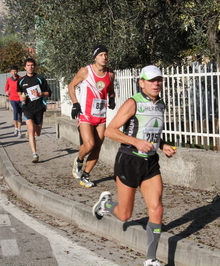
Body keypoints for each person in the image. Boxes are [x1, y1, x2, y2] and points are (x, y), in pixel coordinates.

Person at [92, 65, 177, 266]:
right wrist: (135, 142)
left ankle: (151, 259)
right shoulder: (133, 103)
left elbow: (152, 131)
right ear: (141, 83)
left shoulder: (161, 104)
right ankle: (105, 204)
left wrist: (163, 145)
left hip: (150, 163)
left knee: (156, 209)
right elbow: (110, 131)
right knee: (125, 214)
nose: (156, 83)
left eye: (159, 80)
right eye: (152, 80)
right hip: (129, 161)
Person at [68, 45, 115, 187]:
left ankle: (85, 175)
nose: (104, 57)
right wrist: (75, 104)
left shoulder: (110, 74)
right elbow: (71, 86)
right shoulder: (85, 71)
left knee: (97, 147)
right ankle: (79, 160)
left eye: (106, 54)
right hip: (86, 115)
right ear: (95, 57)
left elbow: (110, 89)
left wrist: (112, 98)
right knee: (89, 145)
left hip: (100, 115)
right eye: (101, 54)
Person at [17, 58, 51, 163]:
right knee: (31, 130)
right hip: (27, 108)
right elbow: (19, 92)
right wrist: (21, 97)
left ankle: (31, 132)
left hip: (39, 108)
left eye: (32, 65)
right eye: (28, 65)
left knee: (37, 133)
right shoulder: (21, 80)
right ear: (25, 67)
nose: (30, 67)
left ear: (34, 66)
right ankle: (35, 154)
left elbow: (48, 93)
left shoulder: (40, 79)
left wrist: (40, 94)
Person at [5, 66, 23, 138]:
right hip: (12, 98)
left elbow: (23, 87)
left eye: (15, 71)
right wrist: (6, 91)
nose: (14, 73)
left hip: (20, 98)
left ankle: (19, 130)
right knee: (16, 111)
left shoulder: (21, 79)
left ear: (17, 71)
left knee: (20, 114)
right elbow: (6, 86)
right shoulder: (9, 79)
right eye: (12, 71)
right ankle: (16, 128)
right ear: (11, 72)